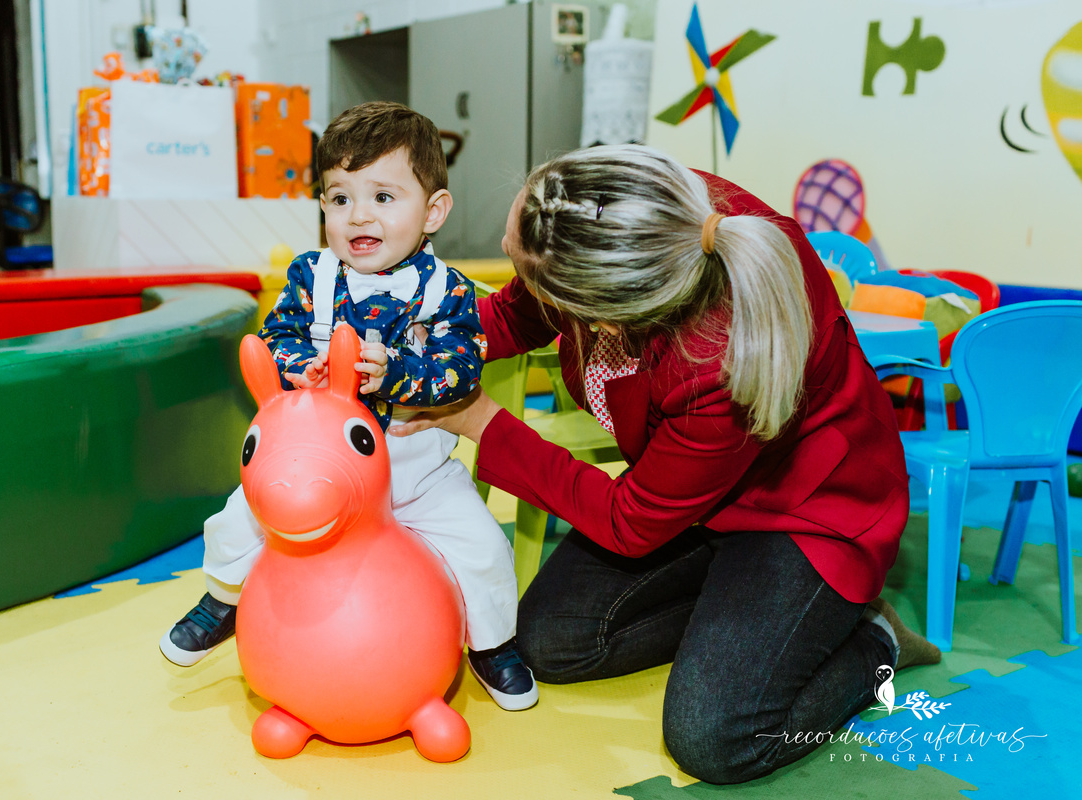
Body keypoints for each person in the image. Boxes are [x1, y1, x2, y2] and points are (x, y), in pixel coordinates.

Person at [393, 144, 941, 782]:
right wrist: (434, 345)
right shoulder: (628, 218)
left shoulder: (719, 362)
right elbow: (520, 308)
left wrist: (480, 422)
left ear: (603, 306)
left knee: (715, 739)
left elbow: (631, 522)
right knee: (548, 640)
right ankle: (741, 613)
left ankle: (873, 640)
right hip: (690, 500)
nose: (523, 281)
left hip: (807, 512)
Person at [160, 101, 537, 711]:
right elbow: (279, 334)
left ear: (433, 211)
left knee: (482, 545)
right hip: (318, 474)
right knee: (238, 518)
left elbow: (461, 367)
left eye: (383, 197)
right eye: (340, 199)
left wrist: (400, 373)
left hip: (413, 468)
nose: (358, 215)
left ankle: (491, 643)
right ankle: (223, 601)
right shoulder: (314, 276)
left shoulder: (448, 289)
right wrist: (294, 367)